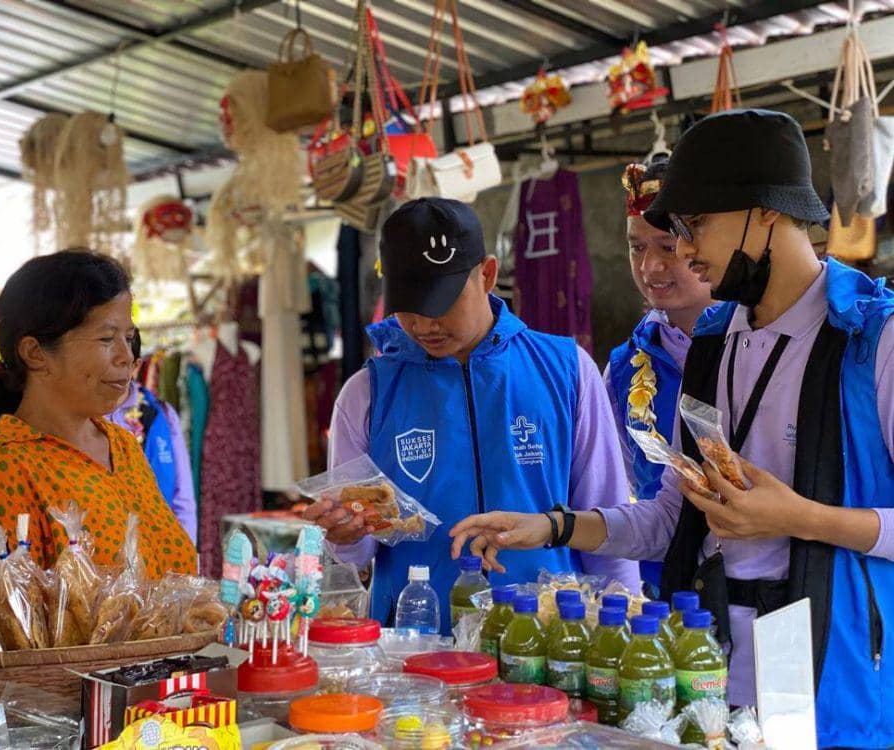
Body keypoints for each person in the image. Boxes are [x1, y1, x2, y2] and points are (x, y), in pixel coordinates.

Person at [449, 109, 894, 747]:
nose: (681, 252)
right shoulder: (713, 344)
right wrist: (551, 526)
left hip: (838, 684)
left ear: (765, 211)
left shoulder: (872, 339)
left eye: (694, 227)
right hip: (707, 677)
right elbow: (670, 520)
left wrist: (798, 516)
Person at [304, 197, 640, 634]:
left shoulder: (567, 370)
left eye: (442, 302)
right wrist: (345, 535)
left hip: (549, 639)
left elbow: (608, 521)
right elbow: (359, 553)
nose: (425, 325)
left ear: (487, 274)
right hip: (415, 645)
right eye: (409, 307)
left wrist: (626, 623)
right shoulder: (366, 393)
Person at [0, 250, 197, 579]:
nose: (127, 356)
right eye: (107, 338)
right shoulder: (4, 473)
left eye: (129, 338)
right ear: (35, 353)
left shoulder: (122, 446)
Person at [603, 157, 714, 595]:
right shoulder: (621, 366)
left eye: (667, 247)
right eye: (636, 247)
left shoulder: (761, 345)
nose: (649, 268)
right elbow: (620, 489)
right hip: (658, 593)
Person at [106, 330, 197, 545]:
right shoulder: (83, 418)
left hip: (158, 547)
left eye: (120, 364)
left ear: (136, 367)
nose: (109, 372)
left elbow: (182, 499)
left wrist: (186, 555)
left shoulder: (161, 415)